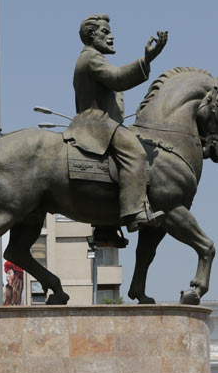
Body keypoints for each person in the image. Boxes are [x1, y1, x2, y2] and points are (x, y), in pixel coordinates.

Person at [67, 14, 168, 231]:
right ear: (92, 35)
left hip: (101, 122)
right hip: (96, 123)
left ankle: (107, 229)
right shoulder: (91, 58)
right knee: (136, 152)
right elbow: (118, 78)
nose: (111, 37)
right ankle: (135, 212)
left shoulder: (92, 57)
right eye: (105, 32)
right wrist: (146, 60)